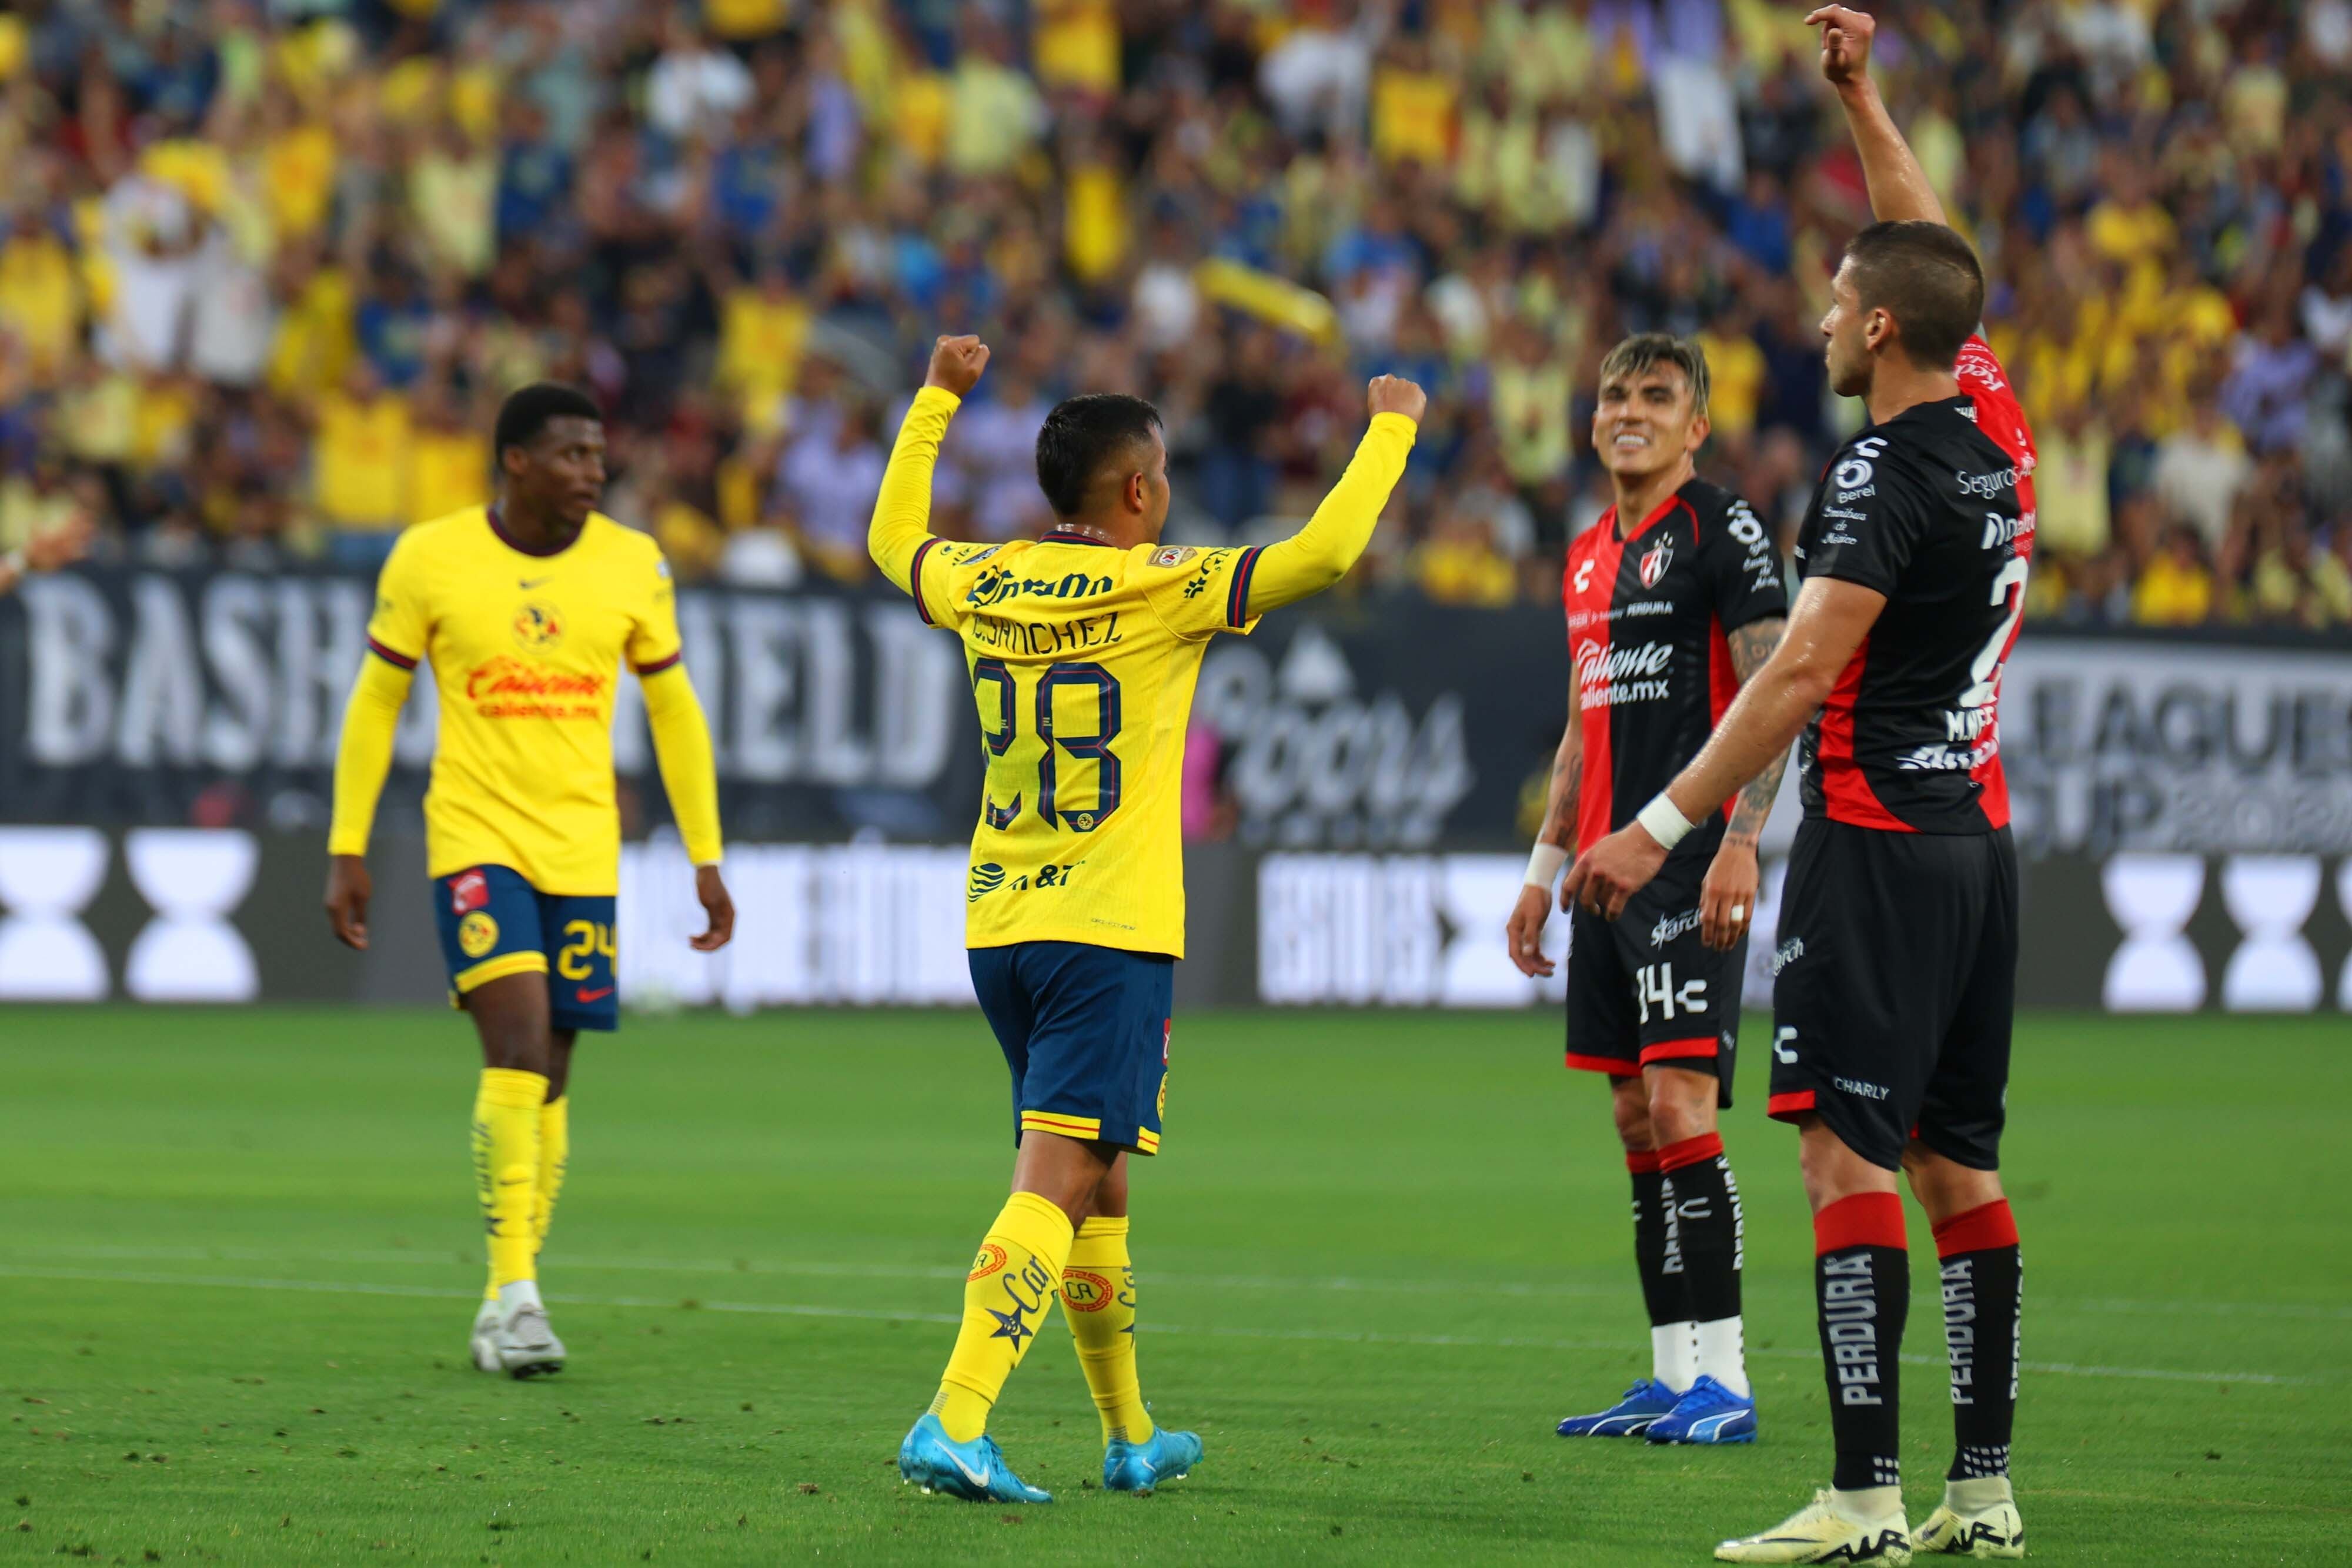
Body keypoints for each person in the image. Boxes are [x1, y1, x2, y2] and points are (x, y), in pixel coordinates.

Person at [1566, 11, 2034, 1561]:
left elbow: (1795, 674)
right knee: (1960, 1164)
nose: (1827, 315)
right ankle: (1982, 1487)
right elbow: (1933, 248)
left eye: (1843, 301)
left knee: (1845, 1155)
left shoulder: (1876, 472)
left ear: (1882, 334)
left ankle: (1861, 1496)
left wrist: (1660, 821)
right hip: (1980, 836)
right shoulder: (1999, 442)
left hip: (1876, 841)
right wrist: (1861, 97)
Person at [870, 333, 1422, 1504]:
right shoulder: (1159, 580)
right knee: (1058, 1178)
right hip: (1109, 929)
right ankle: (954, 1418)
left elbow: (887, 543)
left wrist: (933, 401)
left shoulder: (984, 576)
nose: (1166, 491)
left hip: (1000, 923)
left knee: (1100, 1180)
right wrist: (1389, 429)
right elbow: (1324, 551)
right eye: (1160, 474)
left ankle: (1128, 1435)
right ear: (1136, 490)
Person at [323, 383, 734, 1379]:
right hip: (474, 838)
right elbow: (379, 695)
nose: (593, 470)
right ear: (515, 461)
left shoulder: (633, 564)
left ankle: (504, 1296)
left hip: (583, 848)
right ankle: (518, 1297)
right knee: (513, 1049)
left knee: (550, 1077)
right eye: (571, 454)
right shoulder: (431, 555)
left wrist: (705, 856)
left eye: (598, 454)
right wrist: (347, 844)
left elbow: (675, 711)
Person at [1506, 333, 1789, 1446]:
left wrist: (1742, 841)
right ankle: (1672, 1376)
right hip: (1602, 883)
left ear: (1696, 425)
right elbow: (1583, 731)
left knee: (1681, 1107)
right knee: (1634, 1116)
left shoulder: (1724, 531)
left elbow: (1773, 689)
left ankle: (1728, 1381)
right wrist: (1541, 871)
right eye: (1615, 395)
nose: (1631, 412)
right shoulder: (1584, 556)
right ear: (1591, 420)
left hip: (1688, 863)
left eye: (1657, 397)